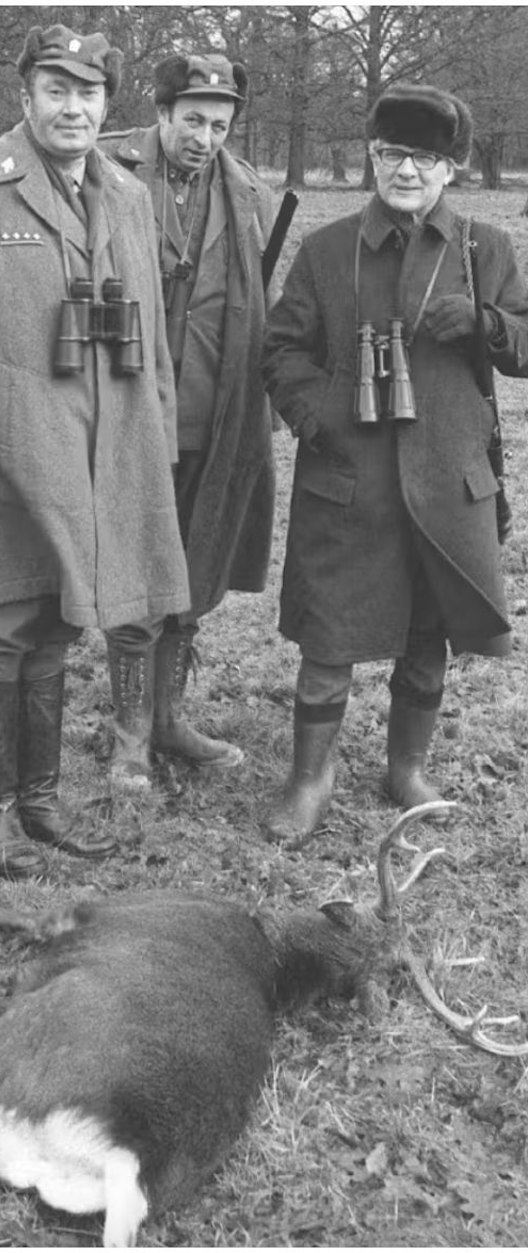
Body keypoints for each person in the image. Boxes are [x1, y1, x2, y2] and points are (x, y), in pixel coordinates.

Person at [0, 25, 189, 879]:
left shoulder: (128, 195)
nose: (74, 108)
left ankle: (42, 801)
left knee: (60, 629)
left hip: (102, 459)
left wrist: (155, 439)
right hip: (6, 454)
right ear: (25, 97)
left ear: (109, 104)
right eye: (57, 91)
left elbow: (152, 338)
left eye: (90, 93)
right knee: (0, 632)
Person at [261, 84, 528, 842]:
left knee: (427, 634)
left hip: (449, 482)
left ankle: (404, 767)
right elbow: (280, 351)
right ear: (371, 157)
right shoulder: (327, 249)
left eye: (423, 157)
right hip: (349, 483)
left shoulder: (486, 250)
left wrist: (486, 324)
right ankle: (311, 777)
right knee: (329, 638)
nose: (405, 171)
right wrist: (321, 419)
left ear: (451, 167)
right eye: (390, 154)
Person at [97, 54, 277, 788]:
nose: (205, 137)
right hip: (127, 411)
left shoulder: (248, 195)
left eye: (220, 124)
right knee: (136, 572)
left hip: (214, 410)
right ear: (161, 116)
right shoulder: (104, 176)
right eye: (193, 121)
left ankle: (170, 717)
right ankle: (130, 734)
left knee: (194, 566)